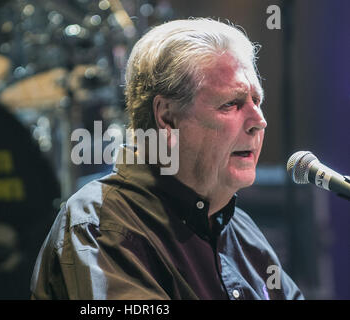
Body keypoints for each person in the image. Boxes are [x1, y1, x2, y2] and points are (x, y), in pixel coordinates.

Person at [30, 18, 304, 300]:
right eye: (231, 104)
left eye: (257, 101)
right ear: (167, 117)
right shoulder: (101, 226)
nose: (259, 121)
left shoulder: (242, 230)